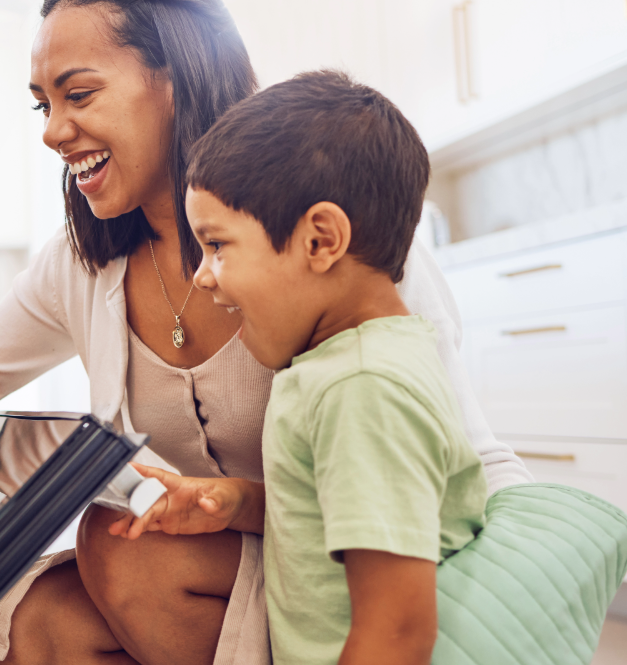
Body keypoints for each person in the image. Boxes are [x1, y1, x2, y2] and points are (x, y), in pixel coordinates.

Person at [0, 0, 530, 665]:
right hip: (256, 565)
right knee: (42, 604)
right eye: (43, 104)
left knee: (120, 553)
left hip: (351, 590)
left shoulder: (339, 264)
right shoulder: (84, 264)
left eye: (77, 95)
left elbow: (458, 465)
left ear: (174, 77)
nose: (52, 130)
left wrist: (516, 620)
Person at [119, 70, 486, 665]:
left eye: (217, 245)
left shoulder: (362, 389)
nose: (201, 275)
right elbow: (338, 518)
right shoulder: (355, 367)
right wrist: (240, 502)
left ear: (320, 240)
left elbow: (396, 632)